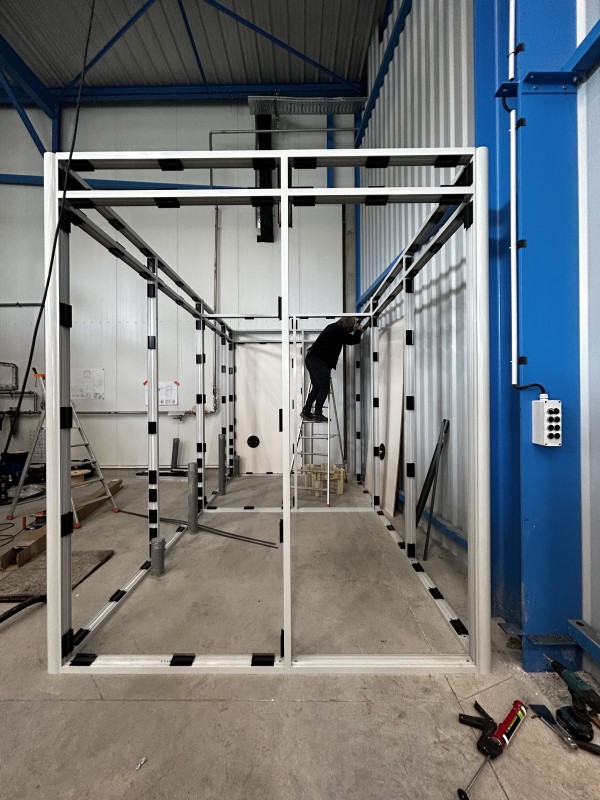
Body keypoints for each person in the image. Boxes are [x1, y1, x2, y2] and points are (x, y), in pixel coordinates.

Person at [301, 316, 363, 423]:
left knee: (317, 387)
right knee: (324, 387)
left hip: (311, 358)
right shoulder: (338, 330)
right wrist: (358, 330)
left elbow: (347, 336)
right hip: (318, 361)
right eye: (351, 325)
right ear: (348, 324)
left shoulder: (333, 328)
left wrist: (354, 329)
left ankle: (306, 411)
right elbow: (353, 340)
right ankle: (318, 414)